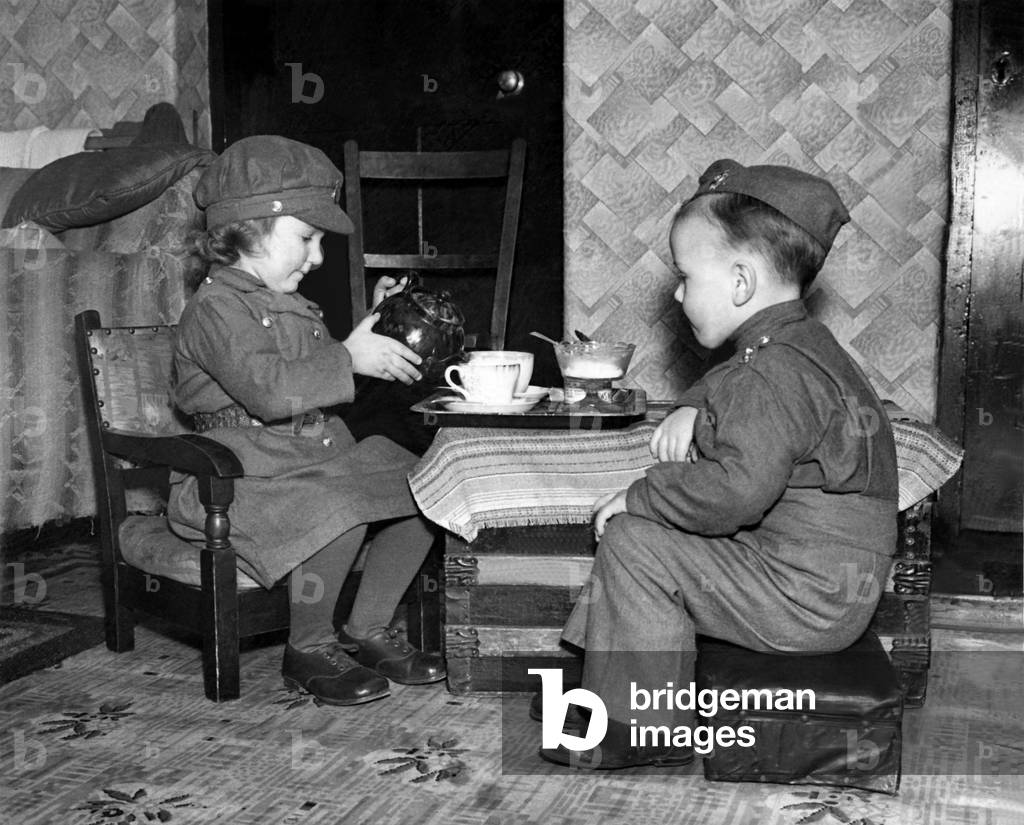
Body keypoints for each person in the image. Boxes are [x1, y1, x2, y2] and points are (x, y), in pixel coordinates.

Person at [538, 159, 898, 768]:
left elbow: (734, 494)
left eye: (685, 277)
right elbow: (740, 385)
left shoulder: (769, 374)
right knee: (649, 538)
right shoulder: (798, 347)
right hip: (824, 584)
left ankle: (642, 729)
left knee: (636, 541)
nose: (678, 294)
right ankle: (609, 681)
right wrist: (695, 405)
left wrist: (642, 494)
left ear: (740, 282)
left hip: (806, 600)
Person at [167, 135, 444, 706]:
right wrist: (348, 357)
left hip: (302, 456)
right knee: (335, 505)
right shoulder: (215, 307)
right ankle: (308, 647)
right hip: (235, 477)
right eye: (306, 238)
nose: (317, 257)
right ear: (248, 230)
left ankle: (368, 628)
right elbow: (272, 390)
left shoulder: (288, 301)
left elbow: (317, 369)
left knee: (428, 487)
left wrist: (373, 325)